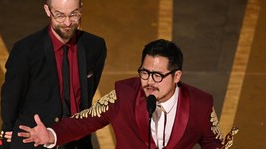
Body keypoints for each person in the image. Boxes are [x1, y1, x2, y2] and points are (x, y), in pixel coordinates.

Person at [17, 39, 226, 149]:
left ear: (177, 75)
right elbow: (85, 120)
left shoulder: (201, 104)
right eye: (145, 73)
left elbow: (212, 141)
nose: (149, 82)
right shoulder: (124, 95)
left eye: (157, 76)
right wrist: (52, 135)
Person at [0, 0, 107, 149]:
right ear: (47, 10)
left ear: (81, 8)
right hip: (33, 141)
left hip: (78, 142)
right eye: (60, 15)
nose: (68, 22)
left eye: (74, 14)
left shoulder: (95, 47)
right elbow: (11, 99)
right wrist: (8, 132)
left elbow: (87, 95)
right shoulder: (26, 50)